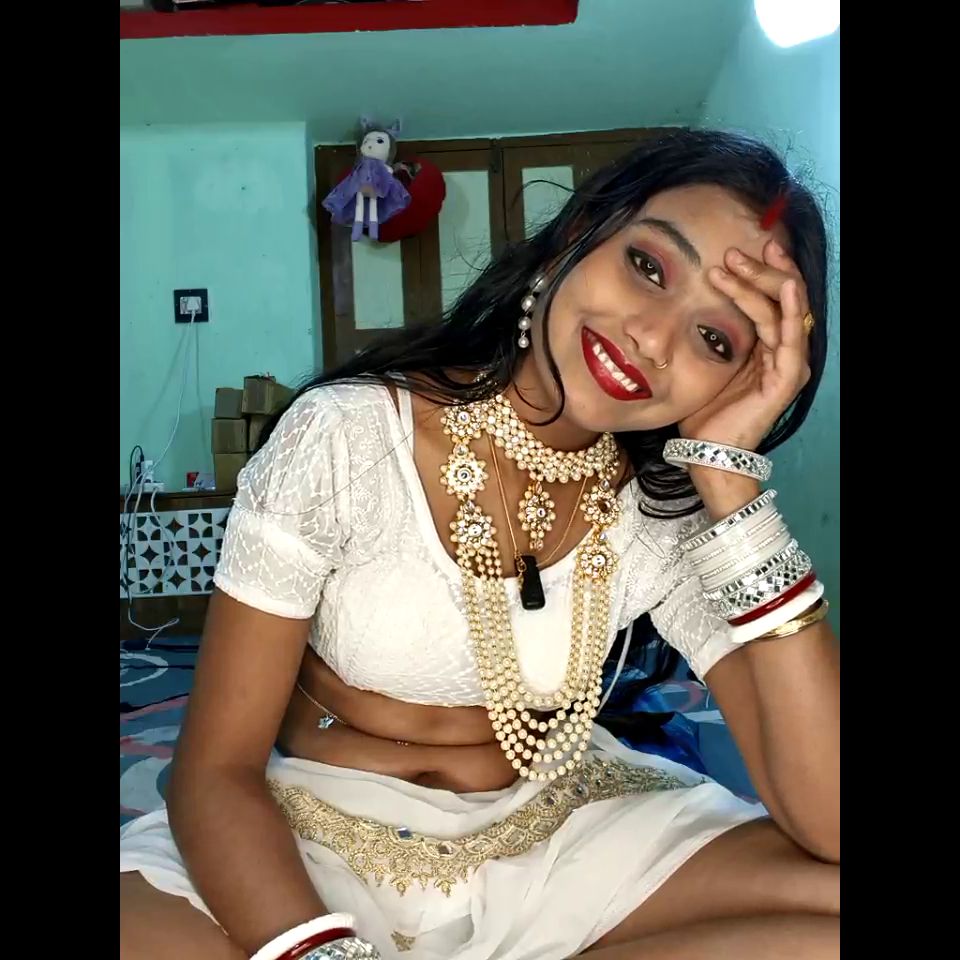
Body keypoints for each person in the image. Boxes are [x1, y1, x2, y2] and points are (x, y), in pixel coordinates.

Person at [120, 128, 840, 960]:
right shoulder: (349, 436)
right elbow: (214, 772)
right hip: (310, 833)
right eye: (648, 266)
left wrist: (732, 487)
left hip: (564, 844)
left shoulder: (668, 515)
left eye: (716, 341)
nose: (653, 338)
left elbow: (828, 821)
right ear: (578, 236)